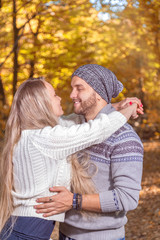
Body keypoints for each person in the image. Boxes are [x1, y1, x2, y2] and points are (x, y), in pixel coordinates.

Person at [0, 77, 140, 240]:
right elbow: (98, 129)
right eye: (54, 95)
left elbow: (71, 122)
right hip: (28, 232)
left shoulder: (28, 135)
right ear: (41, 104)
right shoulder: (46, 138)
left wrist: (113, 107)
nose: (61, 97)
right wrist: (132, 107)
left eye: (79, 89)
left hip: (23, 228)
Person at [35, 65, 144, 240]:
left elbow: (127, 198)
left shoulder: (124, 138)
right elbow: (36, 124)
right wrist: (115, 107)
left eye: (79, 88)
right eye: (72, 88)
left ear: (99, 93)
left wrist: (73, 201)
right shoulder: (73, 127)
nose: (72, 95)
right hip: (65, 234)